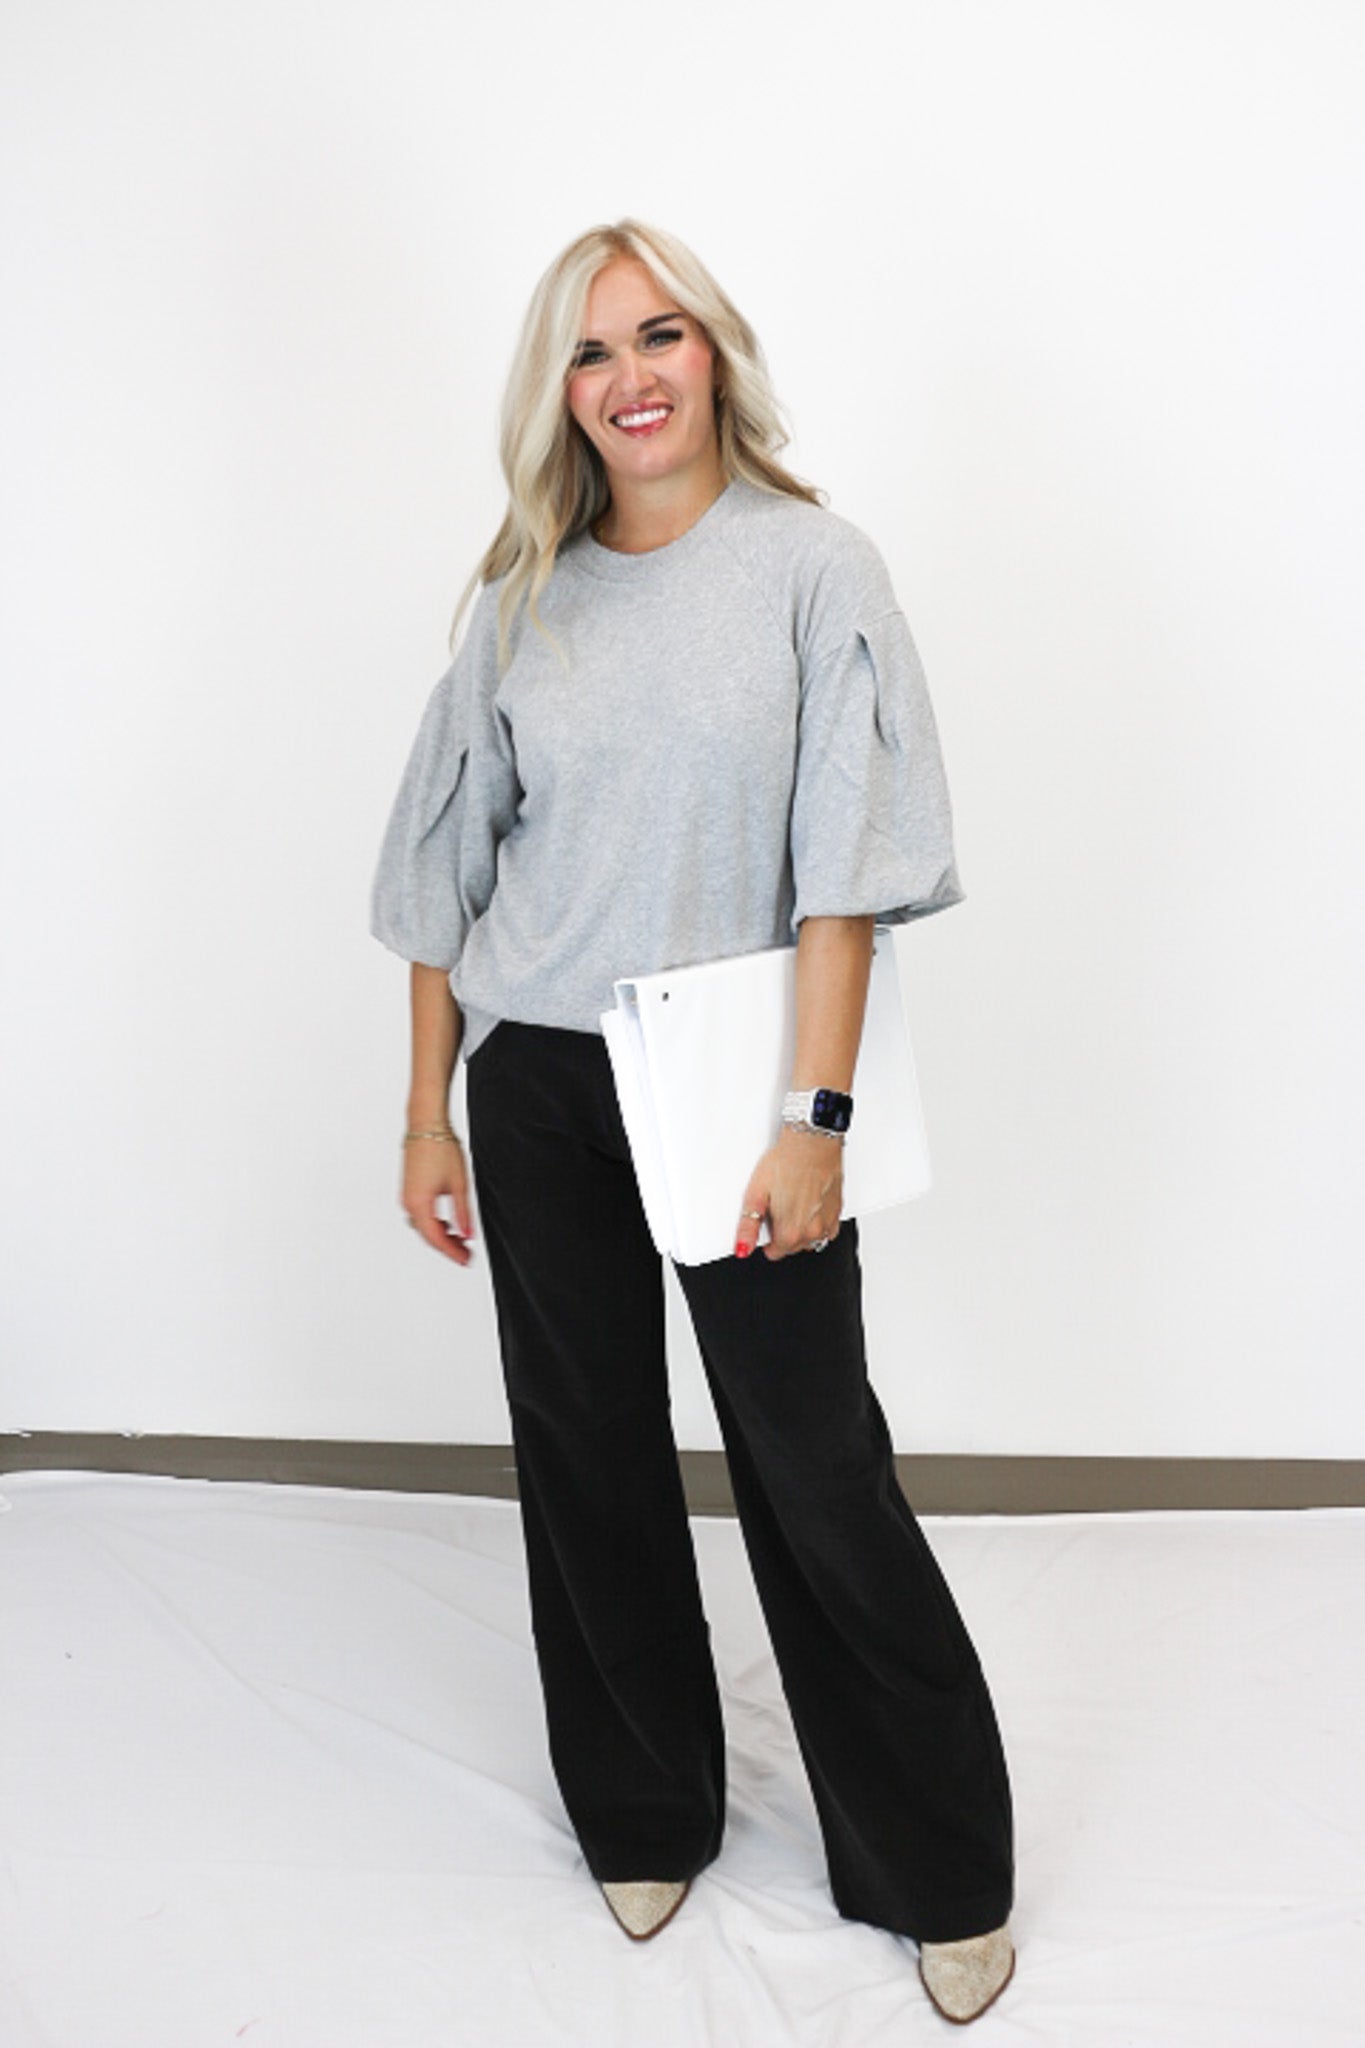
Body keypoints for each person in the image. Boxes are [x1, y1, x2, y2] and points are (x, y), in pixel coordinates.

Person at [369, 218, 1016, 2025]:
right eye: (589, 352)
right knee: (583, 1454)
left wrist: (814, 1118)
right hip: (542, 1082)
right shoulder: (524, 598)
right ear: (558, 395)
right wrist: (427, 1115)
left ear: (713, 353)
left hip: (742, 1079)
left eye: (658, 334)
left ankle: (937, 1866)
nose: (630, 376)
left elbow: (845, 877)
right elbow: (440, 881)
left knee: (812, 1461)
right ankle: (643, 1808)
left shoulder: (813, 570)